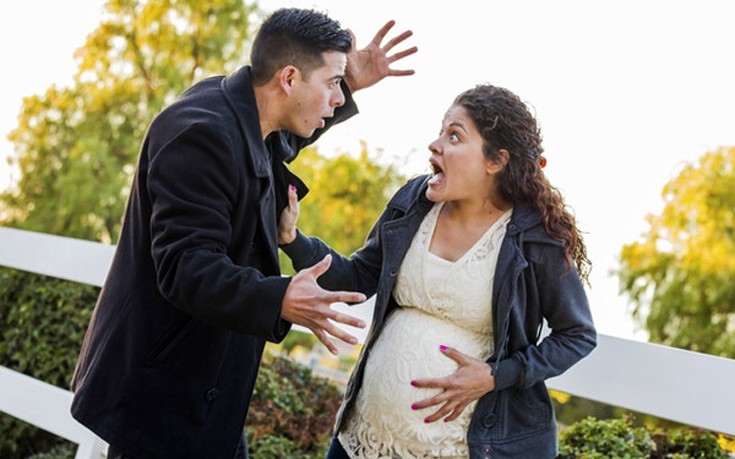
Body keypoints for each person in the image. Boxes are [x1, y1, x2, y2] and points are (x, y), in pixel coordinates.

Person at [69, 8, 417, 459]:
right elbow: (186, 267)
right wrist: (281, 298)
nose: (336, 100)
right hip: (160, 399)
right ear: (289, 79)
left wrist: (349, 81)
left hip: (205, 393)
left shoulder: (251, 112)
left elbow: (284, 139)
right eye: (332, 83)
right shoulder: (201, 134)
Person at [278, 83, 597, 458]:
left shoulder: (534, 239)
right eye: (441, 131)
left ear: (495, 161)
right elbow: (359, 277)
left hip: (459, 447)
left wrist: (496, 375)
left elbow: (577, 335)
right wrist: (293, 240)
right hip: (362, 434)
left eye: (455, 136)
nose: (435, 145)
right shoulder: (414, 201)